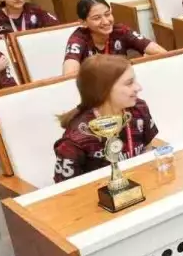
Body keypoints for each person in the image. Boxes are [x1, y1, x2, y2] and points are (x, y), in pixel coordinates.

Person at [52, 55, 161, 183]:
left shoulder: (139, 109)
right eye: (129, 83)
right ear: (104, 90)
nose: (138, 87)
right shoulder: (75, 140)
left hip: (142, 184)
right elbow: (64, 189)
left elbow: (147, 150)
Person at [63, 0, 165, 77]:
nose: (106, 22)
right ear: (83, 22)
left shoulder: (120, 31)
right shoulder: (78, 38)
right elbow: (68, 75)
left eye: (107, 14)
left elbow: (161, 53)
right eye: (97, 18)